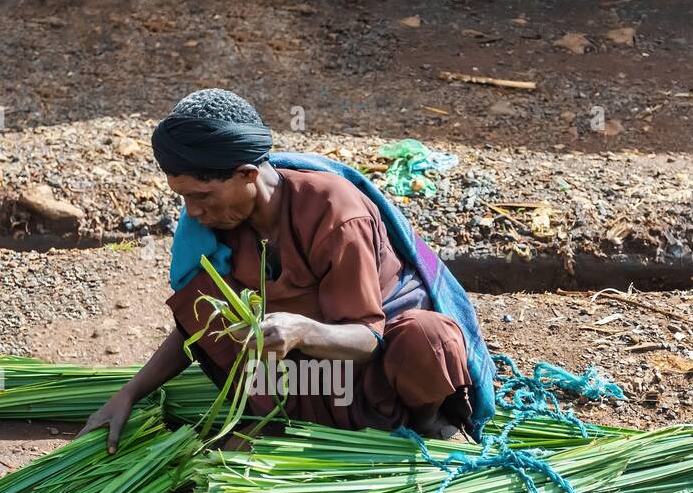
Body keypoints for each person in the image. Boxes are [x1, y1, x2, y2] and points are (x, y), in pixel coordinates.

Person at [83, 88, 485, 452]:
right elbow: (198, 326)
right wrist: (130, 393)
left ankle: (427, 423)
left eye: (202, 196)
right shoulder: (214, 228)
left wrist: (303, 331)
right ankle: (294, 427)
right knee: (205, 305)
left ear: (247, 175)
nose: (193, 212)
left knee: (428, 339)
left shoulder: (334, 212)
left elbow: (369, 336)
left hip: (375, 371)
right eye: (184, 197)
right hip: (303, 383)